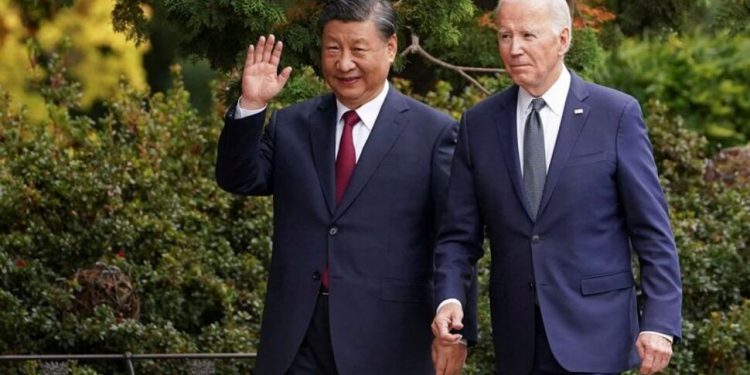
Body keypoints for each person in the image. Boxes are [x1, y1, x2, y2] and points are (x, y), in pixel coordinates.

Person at [216, 0, 476, 373]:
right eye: (332, 49)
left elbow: (455, 237)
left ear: (390, 48)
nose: (344, 63)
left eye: (358, 49)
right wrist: (252, 105)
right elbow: (238, 178)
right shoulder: (292, 125)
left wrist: (460, 331)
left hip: (388, 341)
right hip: (297, 337)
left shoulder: (434, 134)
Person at [431, 0, 682, 374]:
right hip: (517, 340)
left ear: (563, 38)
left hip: (597, 335)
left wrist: (659, 322)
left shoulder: (615, 115)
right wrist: (449, 298)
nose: (514, 48)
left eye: (528, 35)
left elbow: (652, 231)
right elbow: (457, 237)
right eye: (505, 35)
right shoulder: (478, 125)